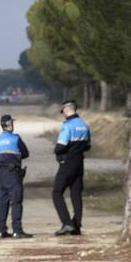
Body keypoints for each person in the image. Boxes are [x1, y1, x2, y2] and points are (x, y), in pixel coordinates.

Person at [52, 100, 90, 235]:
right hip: (79, 162)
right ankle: (77, 225)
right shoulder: (84, 125)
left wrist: (56, 151)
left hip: (67, 163)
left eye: (63, 112)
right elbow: (87, 145)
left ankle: (67, 223)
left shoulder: (67, 126)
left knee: (56, 193)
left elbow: (60, 146)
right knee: (76, 194)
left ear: (66, 111)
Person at [0, 114, 32, 238]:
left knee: (2, 202)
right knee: (16, 201)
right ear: (9, 124)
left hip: (2, 173)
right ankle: (17, 230)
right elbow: (26, 153)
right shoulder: (15, 138)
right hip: (13, 173)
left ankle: (1, 230)